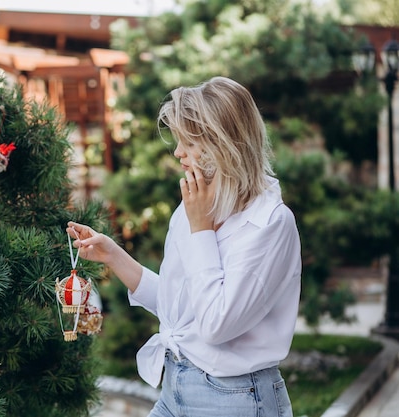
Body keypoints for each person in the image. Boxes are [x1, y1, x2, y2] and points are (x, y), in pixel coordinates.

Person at [67, 76, 301, 417]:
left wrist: (201, 229)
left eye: (188, 143)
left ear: (225, 144)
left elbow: (215, 325)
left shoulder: (270, 224)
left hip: (236, 399)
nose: (178, 153)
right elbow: (180, 309)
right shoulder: (194, 207)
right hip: (175, 386)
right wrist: (112, 255)